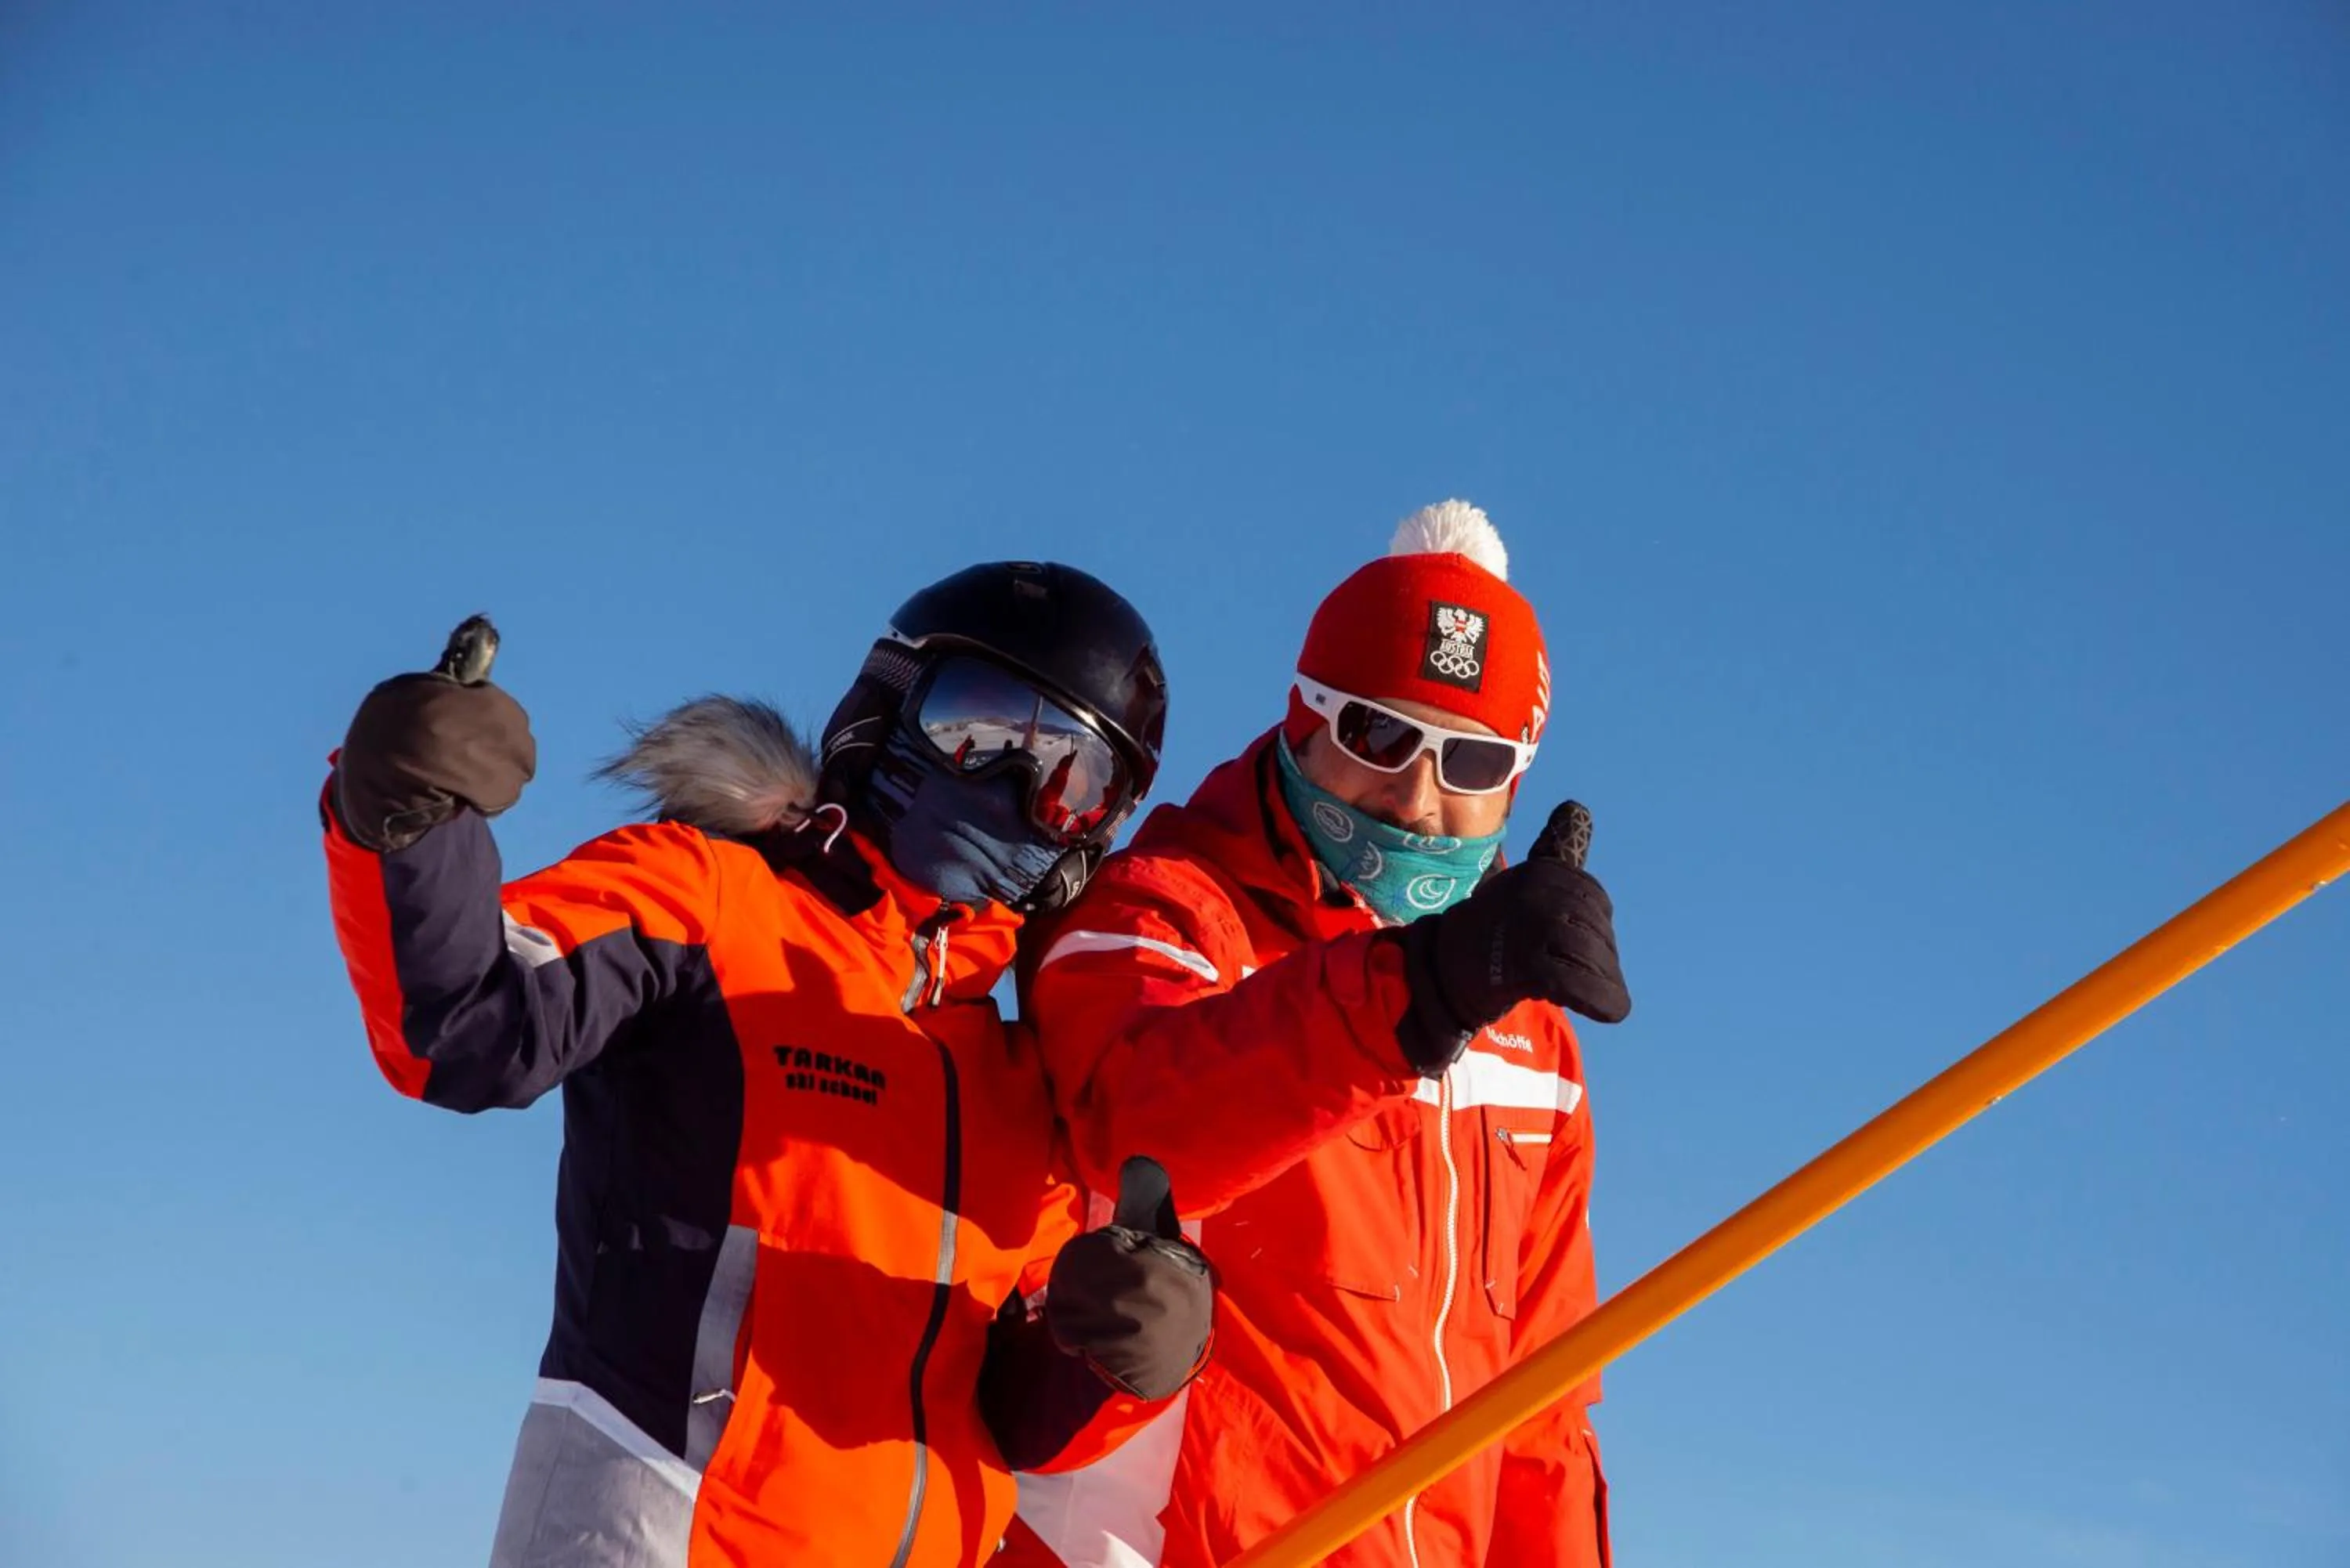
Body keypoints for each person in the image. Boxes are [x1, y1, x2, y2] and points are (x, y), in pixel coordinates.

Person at [317, 562, 1216, 1568]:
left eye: (1071, 777)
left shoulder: (1019, 1085)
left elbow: (1007, 1415)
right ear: (886, 706)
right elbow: (467, 1025)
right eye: (983, 725)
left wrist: (1116, 1360)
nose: (1013, 781)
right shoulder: (711, 899)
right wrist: (404, 814)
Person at [1003, 503, 1632, 1568]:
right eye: (1378, 735)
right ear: (1303, 717)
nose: (1419, 798)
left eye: (1473, 764)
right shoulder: (1161, 914)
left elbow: (1545, 1399)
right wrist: (1410, 996)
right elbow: (1137, 1119)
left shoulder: (1527, 1029)